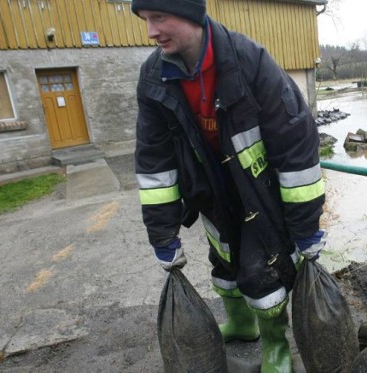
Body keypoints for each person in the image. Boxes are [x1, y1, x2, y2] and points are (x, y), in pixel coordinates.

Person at [130, 0, 326, 371]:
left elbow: (296, 146)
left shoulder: (249, 61)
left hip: (261, 189)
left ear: (189, 13)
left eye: (158, 17)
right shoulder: (154, 76)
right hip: (211, 191)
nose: (150, 31)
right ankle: (241, 324)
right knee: (223, 259)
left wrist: (306, 228)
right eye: (145, 20)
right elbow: (154, 162)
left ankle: (276, 345)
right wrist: (162, 234)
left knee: (262, 270)